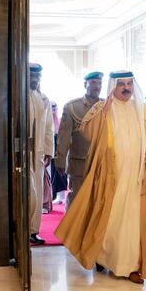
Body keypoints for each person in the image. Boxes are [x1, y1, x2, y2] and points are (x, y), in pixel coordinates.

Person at [56, 70, 146, 285]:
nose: (126, 88)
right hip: (111, 176)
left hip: (136, 177)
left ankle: (130, 266)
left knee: (131, 223)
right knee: (110, 220)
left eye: (129, 84)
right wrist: (105, 111)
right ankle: (104, 257)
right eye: (121, 84)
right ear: (113, 86)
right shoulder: (102, 108)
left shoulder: (142, 110)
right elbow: (86, 132)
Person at [56, 71, 103, 207]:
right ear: (85, 84)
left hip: (101, 162)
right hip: (79, 163)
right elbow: (64, 136)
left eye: (99, 83)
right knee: (77, 199)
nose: (97, 86)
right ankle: (72, 228)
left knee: (98, 200)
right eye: (93, 82)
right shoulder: (72, 107)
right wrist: (60, 160)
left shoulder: (107, 106)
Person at [28, 63, 54, 244]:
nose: (35, 80)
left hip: (37, 154)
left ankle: (32, 231)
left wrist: (48, 151)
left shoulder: (43, 99)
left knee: (37, 192)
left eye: (38, 77)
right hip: (21, 154)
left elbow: (48, 128)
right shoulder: (18, 97)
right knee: (30, 194)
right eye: (32, 76)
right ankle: (20, 229)